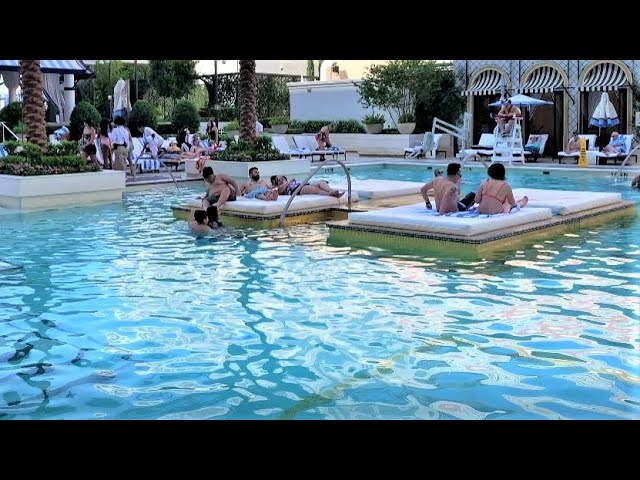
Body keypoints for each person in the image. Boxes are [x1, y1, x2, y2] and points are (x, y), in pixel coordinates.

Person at [271, 175, 344, 197]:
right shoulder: (280, 188)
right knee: (316, 190)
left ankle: (331, 190)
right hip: (298, 190)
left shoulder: (289, 181)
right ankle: (330, 194)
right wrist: (287, 182)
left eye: (281, 178)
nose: (280, 181)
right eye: (278, 181)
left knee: (321, 182)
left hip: (304, 184)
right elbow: (279, 188)